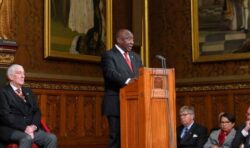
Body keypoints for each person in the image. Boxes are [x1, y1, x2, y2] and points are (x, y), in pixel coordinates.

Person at [101, 29, 143, 148]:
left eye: (133, 39)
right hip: (115, 102)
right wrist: (129, 81)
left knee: (133, 135)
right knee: (116, 136)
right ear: (119, 40)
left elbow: (142, 74)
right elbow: (110, 73)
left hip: (134, 102)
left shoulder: (136, 57)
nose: (132, 42)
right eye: (128, 39)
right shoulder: (109, 55)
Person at [0, 64, 57, 148]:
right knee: (27, 138)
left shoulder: (28, 91)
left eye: (23, 73)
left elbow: (36, 111)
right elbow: (6, 116)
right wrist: (24, 128)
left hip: (30, 129)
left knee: (52, 138)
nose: (23, 76)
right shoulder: (3, 92)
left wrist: (33, 126)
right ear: (11, 76)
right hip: (11, 129)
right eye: (19, 73)